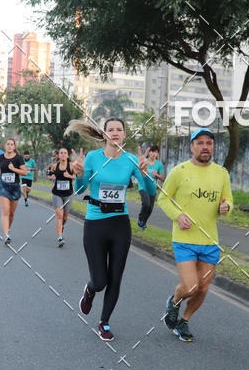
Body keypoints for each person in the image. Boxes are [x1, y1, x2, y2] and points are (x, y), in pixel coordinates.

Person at [67, 117, 156, 341]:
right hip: (95, 223)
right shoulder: (93, 158)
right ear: (104, 134)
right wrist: (79, 175)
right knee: (100, 281)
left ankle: (104, 322)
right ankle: (89, 291)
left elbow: (151, 190)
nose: (115, 133)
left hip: (119, 224)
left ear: (124, 135)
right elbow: (79, 190)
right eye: (111, 129)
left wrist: (145, 174)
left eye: (119, 129)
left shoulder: (131, 160)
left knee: (115, 277)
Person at [159, 128, 233, 342]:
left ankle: (184, 321)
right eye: (200, 143)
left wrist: (226, 207)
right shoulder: (179, 171)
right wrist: (177, 215)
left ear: (213, 147)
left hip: (210, 241)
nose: (205, 147)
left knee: (202, 289)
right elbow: (163, 198)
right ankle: (173, 301)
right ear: (192, 147)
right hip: (184, 240)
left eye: (209, 143)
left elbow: (228, 201)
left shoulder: (221, 173)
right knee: (191, 286)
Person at [0, 138, 28, 244]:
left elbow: (24, 172)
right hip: (3, 186)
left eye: (11, 144)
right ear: (5, 146)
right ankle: (6, 235)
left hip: (15, 187)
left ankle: (7, 230)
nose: (9, 146)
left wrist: (13, 169)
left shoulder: (18, 158)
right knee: (5, 211)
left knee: (11, 213)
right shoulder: (0, 157)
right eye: (8, 144)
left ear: (14, 146)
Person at [47, 146, 75, 247]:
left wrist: (70, 176)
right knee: (59, 215)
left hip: (68, 194)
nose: (63, 154)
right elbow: (49, 175)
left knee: (65, 217)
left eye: (65, 153)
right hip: (57, 194)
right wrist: (52, 177)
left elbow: (76, 178)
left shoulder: (71, 166)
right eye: (61, 153)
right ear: (58, 155)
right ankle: (60, 238)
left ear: (67, 155)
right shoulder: (55, 166)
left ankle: (62, 226)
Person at [137, 144, 165, 230]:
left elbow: (162, 178)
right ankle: (140, 219)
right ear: (149, 152)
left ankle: (143, 222)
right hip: (143, 186)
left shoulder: (159, 164)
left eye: (156, 152)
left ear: (157, 154)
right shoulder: (144, 161)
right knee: (146, 203)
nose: (153, 154)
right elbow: (138, 170)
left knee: (150, 209)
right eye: (152, 151)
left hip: (152, 189)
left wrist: (156, 174)